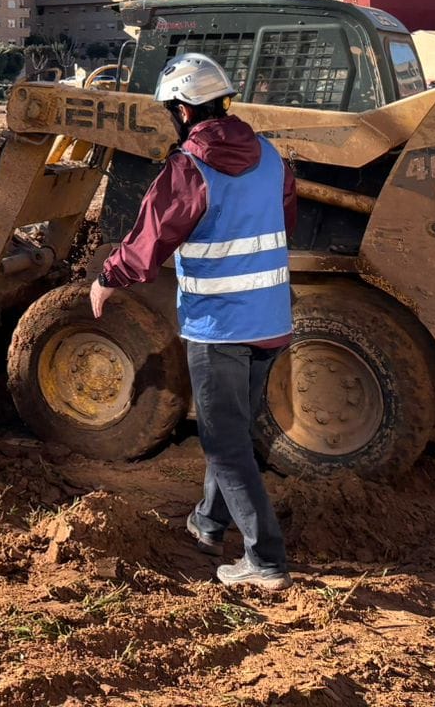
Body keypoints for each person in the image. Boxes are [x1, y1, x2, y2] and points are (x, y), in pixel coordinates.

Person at [89, 52, 297, 591]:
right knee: (233, 431)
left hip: (219, 327)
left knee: (224, 443)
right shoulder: (272, 157)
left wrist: (108, 278)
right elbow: (285, 219)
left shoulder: (189, 167)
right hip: (271, 322)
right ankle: (207, 525)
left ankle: (265, 559)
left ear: (183, 109)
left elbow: (151, 236)